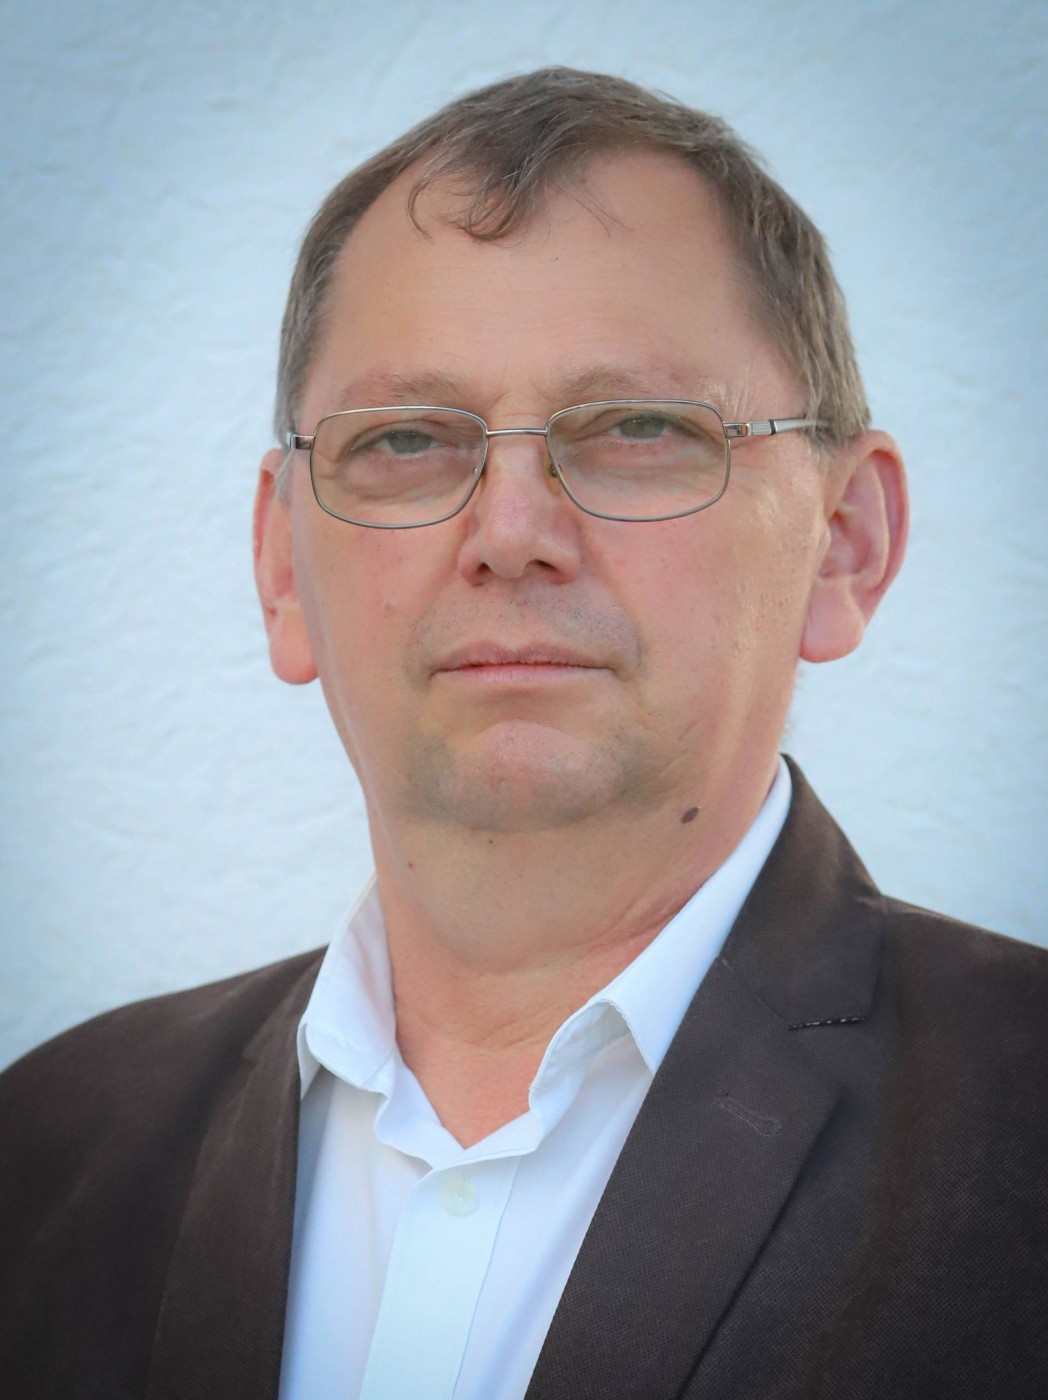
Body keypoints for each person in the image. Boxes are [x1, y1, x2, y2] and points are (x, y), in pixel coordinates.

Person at [2, 66, 1045, 1400]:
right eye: (405, 441)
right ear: (280, 569)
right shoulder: (45, 1151)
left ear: (845, 542)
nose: (510, 533)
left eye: (640, 429)